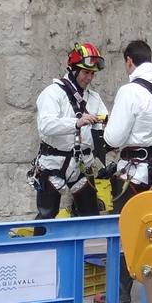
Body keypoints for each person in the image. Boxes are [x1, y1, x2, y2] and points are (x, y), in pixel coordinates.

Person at [93, 39, 152, 303]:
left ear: (128, 61)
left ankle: (120, 292)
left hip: (134, 174)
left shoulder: (130, 91)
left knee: (127, 230)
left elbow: (113, 137)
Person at [32, 42, 109, 223]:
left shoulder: (93, 97)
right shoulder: (52, 93)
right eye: (85, 72)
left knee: (91, 216)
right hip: (53, 163)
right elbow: (46, 125)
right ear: (73, 70)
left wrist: (107, 125)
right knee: (46, 217)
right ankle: (41, 248)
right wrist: (77, 123)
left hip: (82, 164)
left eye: (92, 73)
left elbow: (103, 125)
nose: (89, 78)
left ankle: (88, 250)